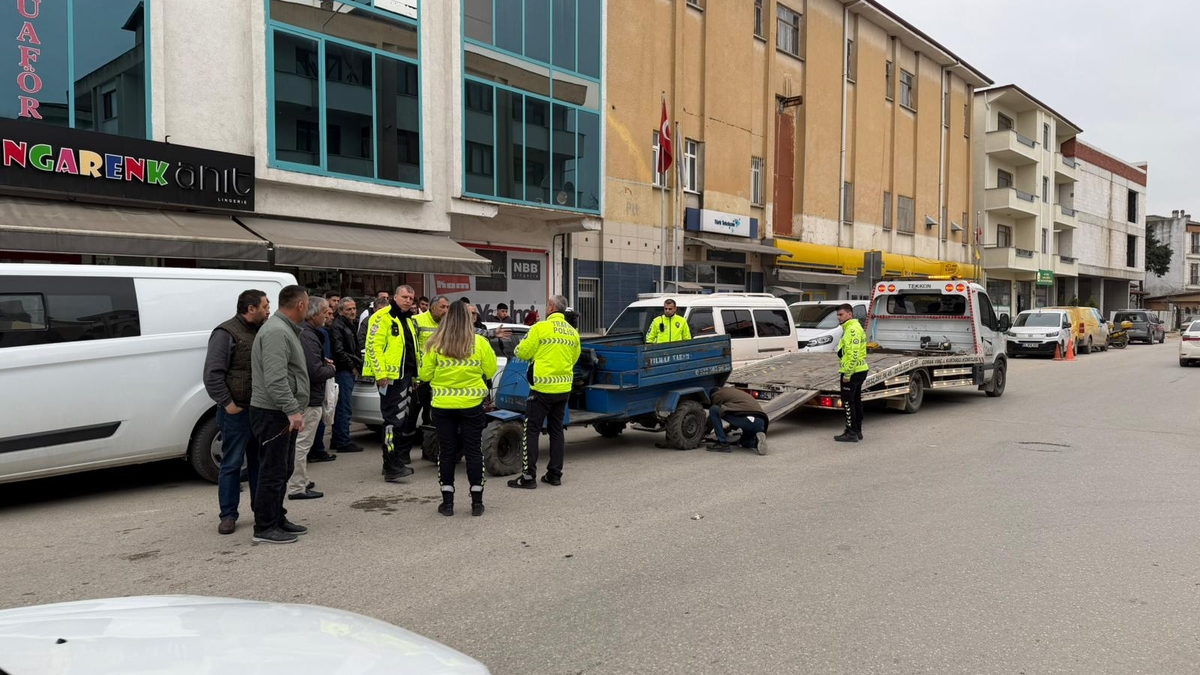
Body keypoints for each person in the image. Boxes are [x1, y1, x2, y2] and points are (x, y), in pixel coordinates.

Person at [420, 302, 497, 517]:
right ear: (468, 318)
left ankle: (448, 503)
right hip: (472, 405)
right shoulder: (479, 342)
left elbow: (425, 375)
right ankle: (477, 503)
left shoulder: (434, 343)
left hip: (443, 406)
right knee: (473, 450)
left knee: (447, 452)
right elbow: (490, 370)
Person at [202, 289, 270, 536]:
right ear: (251, 308)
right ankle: (228, 515)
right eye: (265, 305)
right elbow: (212, 374)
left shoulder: (262, 330)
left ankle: (260, 511)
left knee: (258, 464)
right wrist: (228, 404)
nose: (268, 309)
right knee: (231, 464)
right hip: (236, 411)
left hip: (259, 409)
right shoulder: (225, 333)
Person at [248, 285, 311, 544]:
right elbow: (276, 379)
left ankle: (276, 517)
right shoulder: (276, 331)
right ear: (300, 305)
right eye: (307, 304)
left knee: (282, 469)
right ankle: (264, 526)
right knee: (272, 471)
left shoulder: (282, 328)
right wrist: (292, 410)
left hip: (279, 412)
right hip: (273, 413)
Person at [508, 295, 581, 490]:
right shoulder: (572, 332)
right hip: (563, 388)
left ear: (551, 307)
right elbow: (575, 358)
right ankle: (554, 475)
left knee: (531, 431)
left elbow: (522, 352)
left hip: (541, 389)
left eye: (547, 304)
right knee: (556, 431)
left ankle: (528, 477)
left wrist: (520, 350)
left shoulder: (540, 328)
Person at [365, 284, 420, 481]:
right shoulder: (381, 317)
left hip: (405, 377)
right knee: (392, 422)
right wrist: (380, 374)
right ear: (394, 297)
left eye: (410, 298)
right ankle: (390, 465)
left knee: (401, 421)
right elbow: (373, 347)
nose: (407, 301)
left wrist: (415, 377)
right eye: (404, 297)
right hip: (389, 378)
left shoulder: (409, 320)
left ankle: (394, 461)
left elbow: (412, 352)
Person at [289, 298, 336, 500]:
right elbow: (313, 371)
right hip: (308, 397)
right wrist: (330, 368)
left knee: (301, 443)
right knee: (302, 444)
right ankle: (297, 486)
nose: (327, 315)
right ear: (314, 313)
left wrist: (321, 362)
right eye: (325, 311)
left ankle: (301, 479)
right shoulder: (307, 336)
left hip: (308, 395)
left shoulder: (307, 334)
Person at [329, 297, 364, 453]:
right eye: (349, 309)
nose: (352, 312)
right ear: (340, 311)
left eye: (354, 308)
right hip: (344, 371)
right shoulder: (338, 325)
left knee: (343, 407)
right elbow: (339, 350)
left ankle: (338, 439)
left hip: (347, 370)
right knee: (344, 408)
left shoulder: (348, 324)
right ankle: (342, 441)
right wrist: (352, 367)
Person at [413, 295, 451, 428]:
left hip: (438, 377)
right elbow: (410, 348)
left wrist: (491, 334)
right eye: (442, 307)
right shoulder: (416, 321)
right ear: (432, 307)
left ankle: (430, 445)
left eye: (447, 307)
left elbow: (467, 332)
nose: (445, 310)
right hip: (419, 377)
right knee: (412, 415)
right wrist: (414, 376)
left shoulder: (447, 323)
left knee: (432, 417)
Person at [835, 303, 868, 443]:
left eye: (841, 314)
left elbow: (853, 354)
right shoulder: (852, 327)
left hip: (853, 372)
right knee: (856, 401)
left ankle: (851, 432)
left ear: (850, 314)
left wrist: (847, 374)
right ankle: (857, 430)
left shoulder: (852, 329)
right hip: (859, 370)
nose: (839, 317)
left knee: (848, 402)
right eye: (837, 315)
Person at [706, 387, 769, 455]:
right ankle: (756, 443)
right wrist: (729, 429)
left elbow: (713, 416)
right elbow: (735, 412)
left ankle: (722, 443)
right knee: (744, 442)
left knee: (713, 409)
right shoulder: (733, 392)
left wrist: (705, 432)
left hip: (746, 419)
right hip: (760, 422)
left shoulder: (717, 394)